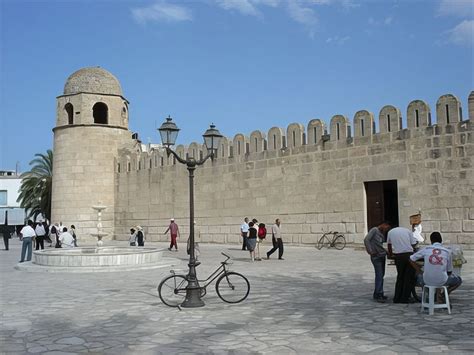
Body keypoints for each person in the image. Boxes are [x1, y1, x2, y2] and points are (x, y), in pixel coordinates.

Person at [410, 232, 462, 297]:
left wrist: (419, 270)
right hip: (442, 280)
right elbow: (449, 271)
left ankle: (428, 296)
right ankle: (443, 295)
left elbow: (411, 259)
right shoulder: (447, 252)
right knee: (458, 280)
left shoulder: (426, 249)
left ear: (431, 241)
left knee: (415, 278)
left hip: (426, 280)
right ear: (441, 240)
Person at [387, 226, 418, 303]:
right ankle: (405, 298)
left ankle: (397, 298)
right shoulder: (408, 231)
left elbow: (389, 245)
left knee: (400, 276)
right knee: (408, 277)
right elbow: (413, 244)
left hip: (398, 256)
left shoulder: (390, 232)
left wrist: (391, 254)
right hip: (408, 255)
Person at [364, 221, 391, 303]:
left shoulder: (381, 234)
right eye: (386, 227)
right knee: (379, 275)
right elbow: (366, 239)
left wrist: (386, 251)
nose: (386, 230)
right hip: (376, 256)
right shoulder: (374, 230)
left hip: (382, 255)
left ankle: (379, 292)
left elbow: (379, 245)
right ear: (384, 224)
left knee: (381, 275)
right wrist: (370, 251)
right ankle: (378, 294)